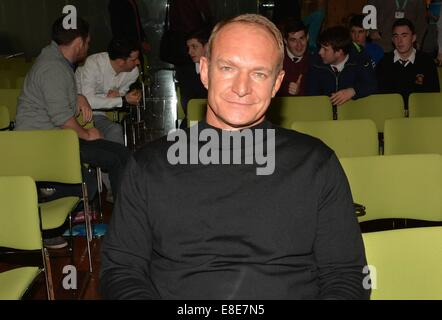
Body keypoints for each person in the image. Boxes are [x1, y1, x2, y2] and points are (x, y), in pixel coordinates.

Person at [100, 13, 370, 300]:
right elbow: (121, 272)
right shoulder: (149, 166)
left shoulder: (316, 164)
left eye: (258, 73)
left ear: (277, 82)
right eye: (228, 67)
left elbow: (346, 275)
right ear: (204, 71)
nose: (242, 88)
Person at [15, 16, 132, 248]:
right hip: (45, 143)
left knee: (120, 154)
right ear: (79, 42)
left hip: (56, 138)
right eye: (87, 42)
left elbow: (58, 98)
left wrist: (78, 96)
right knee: (113, 159)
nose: (88, 48)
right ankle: (124, 225)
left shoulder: (57, 61)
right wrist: (89, 134)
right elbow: (62, 119)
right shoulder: (53, 67)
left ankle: (125, 219)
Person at [76, 38, 142, 145]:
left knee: (117, 129)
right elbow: (88, 101)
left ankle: (120, 160)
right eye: (134, 60)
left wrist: (128, 95)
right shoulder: (93, 64)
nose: (138, 62)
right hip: (77, 115)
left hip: (99, 116)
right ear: (120, 62)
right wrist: (122, 99)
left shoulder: (133, 72)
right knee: (110, 132)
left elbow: (121, 94)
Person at [376, 18, 440, 109]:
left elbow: (433, 96)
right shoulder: (384, 63)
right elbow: (381, 98)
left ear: (413, 38)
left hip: (420, 115)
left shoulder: (427, 62)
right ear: (392, 40)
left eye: (404, 36)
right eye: (396, 36)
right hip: (392, 115)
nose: (400, 41)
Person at [307, 26, 378, 107]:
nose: (320, 52)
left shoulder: (360, 59)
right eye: (320, 47)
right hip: (324, 112)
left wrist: (353, 91)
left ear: (339, 52)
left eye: (325, 49)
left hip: (353, 113)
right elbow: (312, 95)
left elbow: (372, 85)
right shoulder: (316, 62)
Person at [108, 0, 149, 77]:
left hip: (135, 44)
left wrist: (142, 40)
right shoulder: (116, 3)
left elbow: (137, 22)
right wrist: (125, 46)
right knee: (129, 73)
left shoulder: (131, 1)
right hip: (127, 46)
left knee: (139, 70)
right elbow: (117, 29)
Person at [277, 19, 310, 96]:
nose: (299, 45)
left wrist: (299, 92)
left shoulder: (315, 60)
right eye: (293, 40)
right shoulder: (276, 60)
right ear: (285, 41)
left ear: (307, 37)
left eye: (302, 38)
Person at [179, 29, 209, 114]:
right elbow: (187, 105)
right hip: (193, 119)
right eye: (188, 48)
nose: (189, 52)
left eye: (194, 47)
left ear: (206, 47)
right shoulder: (185, 72)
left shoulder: (218, 69)